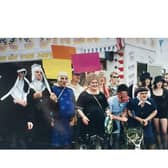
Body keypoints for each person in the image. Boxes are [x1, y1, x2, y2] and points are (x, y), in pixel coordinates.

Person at [0, 68, 33, 149]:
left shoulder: (26, 83)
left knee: (22, 126)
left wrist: (24, 102)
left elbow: (26, 95)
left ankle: (21, 141)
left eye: (23, 72)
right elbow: (6, 95)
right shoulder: (11, 82)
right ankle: (13, 142)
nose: (21, 74)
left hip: (22, 108)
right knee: (12, 126)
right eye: (20, 72)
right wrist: (16, 101)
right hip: (12, 108)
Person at [76, 73, 110, 149]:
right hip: (88, 123)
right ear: (89, 83)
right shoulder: (84, 95)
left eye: (96, 83)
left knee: (101, 143)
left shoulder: (101, 94)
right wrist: (83, 117)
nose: (95, 84)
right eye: (93, 83)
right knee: (89, 144)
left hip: (100, 123)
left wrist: (108, 113)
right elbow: (79, 108)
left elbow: (106, 107)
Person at [29, 64, 57, 149]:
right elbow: (26, 105)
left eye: (41, 72)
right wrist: (32, 97)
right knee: (35, 143)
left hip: (46, 120)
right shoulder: (28, 87)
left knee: (46, 142)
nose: (39, 74)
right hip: (34, 119)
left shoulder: (47, 88)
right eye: (37, 72)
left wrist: (54, 101)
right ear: (32, 73)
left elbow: (53, 106)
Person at [51, 72, 75, 149]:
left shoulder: (70, 90)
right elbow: (48, 106)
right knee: (57, 145)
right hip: (57, 121)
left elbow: (73, 104)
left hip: (68, 121)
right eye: (62, 78)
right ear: (57, 79)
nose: (64, 80)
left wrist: (73, 118)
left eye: (66, 78)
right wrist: (51, 119)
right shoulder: (52, 89)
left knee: (67, 144)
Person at [107, 84, 129, 149]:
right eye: (123, 96)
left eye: (126, 95)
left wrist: (124, 114)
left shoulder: (127, 100)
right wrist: (121, 118)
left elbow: (125, 109)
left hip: (122, 124)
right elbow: (109, 115)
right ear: (118, 94)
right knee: (115, 140)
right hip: (112, 124)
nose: (125, 98)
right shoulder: (111, 101)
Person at [152, 76, 168, 149]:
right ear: (155, 83)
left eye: (161, 82)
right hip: (155, 113)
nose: (159, 83)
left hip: (164, 113)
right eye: (158, 82)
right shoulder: (152, 91)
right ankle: (160, 146)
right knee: (157, 131)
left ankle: (165, 146)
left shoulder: (166, 91)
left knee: (164, 131)